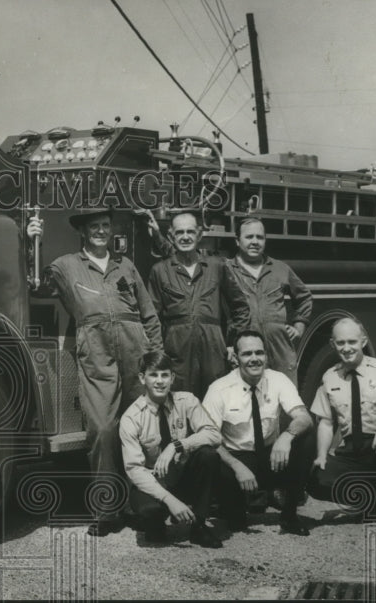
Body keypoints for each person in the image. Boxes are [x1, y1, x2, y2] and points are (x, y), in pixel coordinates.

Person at [27, 208, 164, 536]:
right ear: (83, 232)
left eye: (105, 225)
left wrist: (155, 356)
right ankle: (107, 511)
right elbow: (35, 286)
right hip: (98, 354)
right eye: (95, 227)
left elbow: (149, 314)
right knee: (102, 431)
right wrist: (32, 241)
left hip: (137, 351)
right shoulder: (67, 265)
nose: (101, 231)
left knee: (144, 431)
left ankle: (147, 505)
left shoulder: (125, 265)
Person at [307, 317, 376, 537]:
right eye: (340, 343)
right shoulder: (329, 377)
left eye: (352, 342)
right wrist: (321, 455)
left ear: (363, 341)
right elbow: (326, 422)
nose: (346, 348)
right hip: (351, 453)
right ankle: (371, 498)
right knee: (315, 479)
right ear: (332, 344)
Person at [204, 329, 315, 536]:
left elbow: (304, 417)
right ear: (236, 358)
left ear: (266, 355)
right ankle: (232, 507)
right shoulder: (219, 389)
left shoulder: (278, 379)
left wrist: (287, 436)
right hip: (237, 461)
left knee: (307, 437)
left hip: (271, 455)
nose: (254, 359)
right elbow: (208, 438)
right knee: (235, 523)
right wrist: (237, 466)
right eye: (247, 354)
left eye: (259, 353)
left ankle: (289, 515)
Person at [119, 350, 223, 548]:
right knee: (152, 518)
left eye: (165, 375)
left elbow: (214, 435)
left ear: (172, 378)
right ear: (142, 378)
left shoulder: (187, 401)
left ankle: (199, 526)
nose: (160, 381)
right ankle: (154, 521)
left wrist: (177, 446)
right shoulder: (131, 418)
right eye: (153, 375)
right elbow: (134, 470)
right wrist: (169, 500)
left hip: (181, 475)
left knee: (208, 455)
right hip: (153, 481)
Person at [146, 212, 251, 399]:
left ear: (199, 235)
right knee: (180, 407)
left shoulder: (217, 267)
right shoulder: (160, 271)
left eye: (190, 232)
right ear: (171, 236)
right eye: (179, 233)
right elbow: (151, 317)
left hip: (213, 354)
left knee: (215, 405)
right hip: (177, 354)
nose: (185, 237)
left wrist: (233, 344)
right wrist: (158, 353)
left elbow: (240, 307)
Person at [225, 218, 313, 386]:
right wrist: (227, 343)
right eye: (249, 237)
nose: (255, 242)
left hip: (280, 351)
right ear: (237, 241)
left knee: (285, 401)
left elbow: (304, 297)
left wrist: (299, 325)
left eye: (260, 237)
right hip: (246, 351)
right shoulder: (226, 269)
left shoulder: (280, 268)